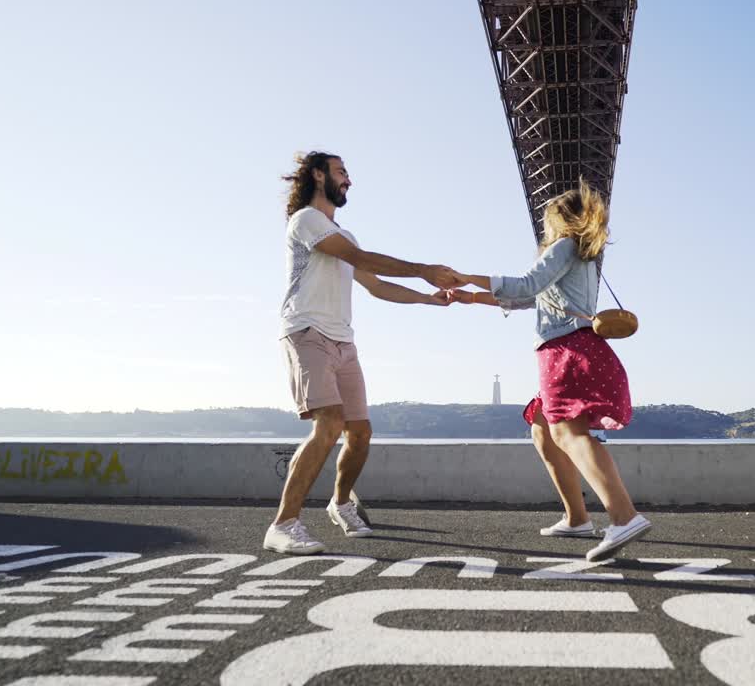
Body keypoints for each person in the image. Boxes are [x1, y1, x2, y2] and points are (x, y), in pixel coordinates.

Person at [265, 150, 464, 555]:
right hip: (307, 332)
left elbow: (377, 286)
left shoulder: (343, 235)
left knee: (360, 433)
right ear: (318, 175)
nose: (348, 180)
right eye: (341, 172)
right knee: (330, 424)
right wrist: (422, 267)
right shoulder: (306, 221)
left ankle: (340, 504)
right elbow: (358, 258)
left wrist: (429, 298)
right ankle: (283, 524)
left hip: (343, 340)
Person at [447, 179, 650, 561]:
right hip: (578, 347)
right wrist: (472, 298)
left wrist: (466, 277)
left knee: (567, 432)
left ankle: (624, 516)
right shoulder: (582, 256)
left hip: (564, 351)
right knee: (543, 429)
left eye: (547, 221)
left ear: (560, 220)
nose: (545, 229)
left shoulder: (564, 246)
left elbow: (527, 283)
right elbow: (535, 299)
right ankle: (577, 519)